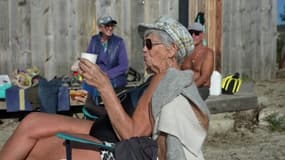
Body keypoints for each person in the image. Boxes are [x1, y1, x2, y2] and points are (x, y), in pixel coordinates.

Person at [0, 16, 209, 160]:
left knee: (36, 145)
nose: (143, 50)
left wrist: (104, 85)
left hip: (111, 140)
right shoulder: (156, 77)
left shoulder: (165, 78)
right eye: (144, 44)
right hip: (105, 126)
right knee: (33, 121)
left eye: (149, 44)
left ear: (172, 50)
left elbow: (133, 133)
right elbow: (132, 112)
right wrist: (94, 104)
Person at [82, 15, 129, 104]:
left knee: (101, 85)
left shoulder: (119, 42)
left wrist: (106, 75)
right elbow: (88, 60)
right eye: (107, 26)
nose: (110, 28)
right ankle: (91, 110)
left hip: (114, 77)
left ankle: (97, 110)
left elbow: (124, 66)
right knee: (87, 85)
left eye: (112, 25)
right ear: (100, 28)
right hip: (96, 75)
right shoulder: (94, 40)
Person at [181, 22, 214, 100]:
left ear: (202, 35)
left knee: (185, 101)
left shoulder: (208, 53)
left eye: (196, 33)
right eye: (190, 33)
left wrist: (189, 89)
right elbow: (177, 70)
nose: (193, 36)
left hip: (201, 88)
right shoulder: (186, 52)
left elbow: (204, 77)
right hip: (183, 87)